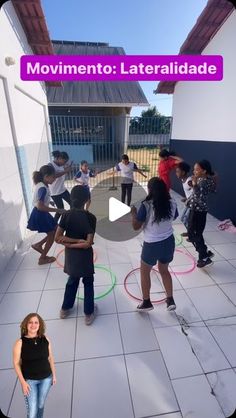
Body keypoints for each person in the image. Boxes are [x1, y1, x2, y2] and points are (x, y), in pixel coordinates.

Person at [131, 177, 178, 312]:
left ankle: (146, 302)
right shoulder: (172, 202)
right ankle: (170, 300)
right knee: (164, 270)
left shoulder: (146, 205)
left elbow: (136, 226)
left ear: (150, 190)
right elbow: (174, 217)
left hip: (152, 245)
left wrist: (133, 214)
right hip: (169, 242)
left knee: (145, 272)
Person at [55, 185, 97, 325]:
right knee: (88, 283)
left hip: (71, 256)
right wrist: (78, 241)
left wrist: (69, 244)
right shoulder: (91, 217)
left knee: (72, 281)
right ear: (87, 200)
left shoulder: (65, 215)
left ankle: (65, 309)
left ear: (72, 198)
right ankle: (88, 313)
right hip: (85, 257)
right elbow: (88, 243)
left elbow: (58, 237)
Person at [13, 313, 56, 418]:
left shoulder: (46, 339)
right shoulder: (20, 343)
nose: (33, 325)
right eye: (30, 322)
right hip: (30, 381)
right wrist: (23, 382)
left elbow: (50, 358)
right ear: (26, 325)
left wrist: (54, 375)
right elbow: (16, 363)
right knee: (32, 411)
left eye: (36, 322)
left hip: (46, 378)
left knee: (41, 405)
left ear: (40, 325)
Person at [28, 165, 65, 265]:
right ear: (46, 177)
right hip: (40, 214)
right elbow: (40, 206)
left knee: (55, 229)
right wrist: (57, 209)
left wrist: (50, 202)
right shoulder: (43, 188)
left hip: (42, 213)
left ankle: (38, 245)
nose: (54, 179)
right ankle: (42, 258)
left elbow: (41, 200)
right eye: (53, 177)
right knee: (52, 235)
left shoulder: (42, 184)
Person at [186, 159, 217, 268]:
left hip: (197, 210)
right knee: (196, 233)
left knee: (193, 233)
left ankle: (204, 256)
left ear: (204, 171)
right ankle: (204, 252)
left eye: (197, 170)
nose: (194, 171)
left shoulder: (202, 181)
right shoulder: (207, 179)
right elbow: (212, 190)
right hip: (200, 210)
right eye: (194, 169)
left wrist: (194, 184)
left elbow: (199, 195)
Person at [48, 150, 72, 222]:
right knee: (60, 209)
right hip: (55, 193)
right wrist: (65, 171)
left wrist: (66, 170)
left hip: (63, 190)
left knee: (73, 203)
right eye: (64, 161)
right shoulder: (50, 165)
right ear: (59, 158)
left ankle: (70, 218)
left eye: (66, 162)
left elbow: (61, 172)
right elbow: (53, 176)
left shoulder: (61, 165)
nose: (65, 163)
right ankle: (54, 224)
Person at [176, 162, 193, 237]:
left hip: (192, 204)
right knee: (183, 218)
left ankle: (191, 233)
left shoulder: (189, 181)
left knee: (185, 218)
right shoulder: (183, 179)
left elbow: (196, 192)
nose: (176, 173)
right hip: (188, 202)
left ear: (183, 172)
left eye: (178, 171)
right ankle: (190, 232)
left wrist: (188, 199)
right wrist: (186, 198)